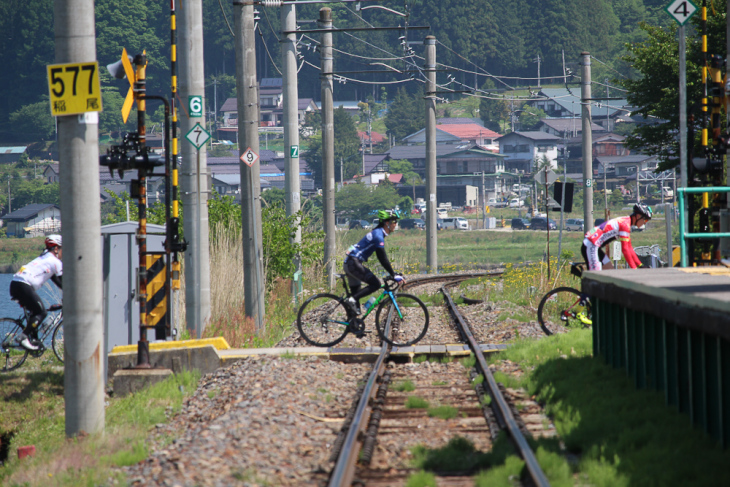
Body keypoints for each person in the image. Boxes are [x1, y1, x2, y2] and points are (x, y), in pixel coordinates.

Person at [343, 210, 404, 315]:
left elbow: (382, 258)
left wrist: (393, 273)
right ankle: (351, 300)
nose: (395, 224)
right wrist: (393, 274)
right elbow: (382, 258)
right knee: (375, 284)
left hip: (351, 263)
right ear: (386, 223)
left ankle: (353, 325)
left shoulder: (378, 233)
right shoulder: (378, 235)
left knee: (355, 304)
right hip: (353, 263)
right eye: (394, 221)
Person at [10, 235, 63, 351]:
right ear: (56, 249)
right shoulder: (55, 262)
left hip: (16, 284)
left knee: (35, 313)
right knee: (42, 312)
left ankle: (33, 342)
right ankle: (23, 337)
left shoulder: (44, 257)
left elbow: (58, 282)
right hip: (23, 285)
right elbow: (63, 282)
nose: (63, 253)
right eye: (62, 249)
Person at [582, 203, 653, 271]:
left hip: (594, 245)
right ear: (638, 216)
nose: (645, 222)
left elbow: (629, 248)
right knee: (595, 277)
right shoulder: (625, 224)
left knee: (610, 271)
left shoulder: (627, 222)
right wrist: (634, 269)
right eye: (645, 219)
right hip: (591, 244)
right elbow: (625, 250)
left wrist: (640, 265)